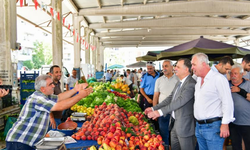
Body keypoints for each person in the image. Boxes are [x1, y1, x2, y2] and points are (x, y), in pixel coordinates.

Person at [5, 74, 93, 150]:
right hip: (19, 141)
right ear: (43, 89)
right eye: (50, 84)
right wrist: (80, 96)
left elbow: (59, 97)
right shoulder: (38, 99)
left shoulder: (45, 96)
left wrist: (75, 90)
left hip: (27, 142)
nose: (53, 86)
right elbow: (60, 106)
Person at [146, 58, 196, 150]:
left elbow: (178, 102)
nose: (175, 68)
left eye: (177, 67)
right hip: (174, 124)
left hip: (185, 127)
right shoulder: (179, 82)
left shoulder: (191, 84)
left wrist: (159, 112)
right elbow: (170, 98)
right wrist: (153, 108)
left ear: (186, 69)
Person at [191, 53, 235, 150]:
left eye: (194, 64)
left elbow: (227, 102)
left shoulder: (218, 79)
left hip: (213, 127)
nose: (192, 67)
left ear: (203, 64)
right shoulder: (198, 80)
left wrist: (225, 124)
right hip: (199, 126)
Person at [152, 59, 179, 146]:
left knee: (176, 135)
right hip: (162, 112)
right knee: (163, 134)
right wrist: (154, 111)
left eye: (166, 66)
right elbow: (156, 96)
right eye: (163, 66)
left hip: (176, 112)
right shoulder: (158, 80)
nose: (164, 68)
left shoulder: (178, 79)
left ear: (172, 67)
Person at [229, 64, 250, 150]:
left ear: (242, 74)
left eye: (236, 73)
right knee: (235, 146)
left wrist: (240, 91)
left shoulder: (248, 84)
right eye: (231, 73)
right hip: (233, 122)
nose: (233, 76)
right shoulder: (226, 84)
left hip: (247, 122)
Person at [49, 65, 63, 129]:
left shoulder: (58, 84)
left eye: (60, 72)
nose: (59, 74)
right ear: (51, 74)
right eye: (56, 72)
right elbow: (47, 102)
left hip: (58, 117)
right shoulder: (50, 86)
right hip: (53, 120)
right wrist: (51, 117)